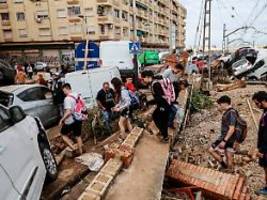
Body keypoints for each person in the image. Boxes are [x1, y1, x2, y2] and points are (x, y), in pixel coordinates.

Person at [208, 95, 239, 171]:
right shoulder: (228, 112)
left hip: (227, 138)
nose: (220, 106)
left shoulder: (231, 112)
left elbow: (232, 128)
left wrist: (224, 141)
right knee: (228, 157)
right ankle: (227, 169)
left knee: (211, 150)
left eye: (220, 104)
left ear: (225, 103)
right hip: (228, 138)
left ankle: (227, 169)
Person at [59, 83, 83, 155]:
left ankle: (73, 148)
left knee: (63, 134)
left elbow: (68, 112)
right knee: (78, 136)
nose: (64, 93)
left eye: (64, 91)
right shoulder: (78, 95)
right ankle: (81, 151)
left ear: (67, 89)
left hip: (70, 120)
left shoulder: (67, 99)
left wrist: (62, 120)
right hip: (79, 118)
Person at [252, 91, 267, 195]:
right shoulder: (265, 112)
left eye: (257, 103)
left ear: (264, 101)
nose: (257, 106)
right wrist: (258, 147)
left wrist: (263, 150)